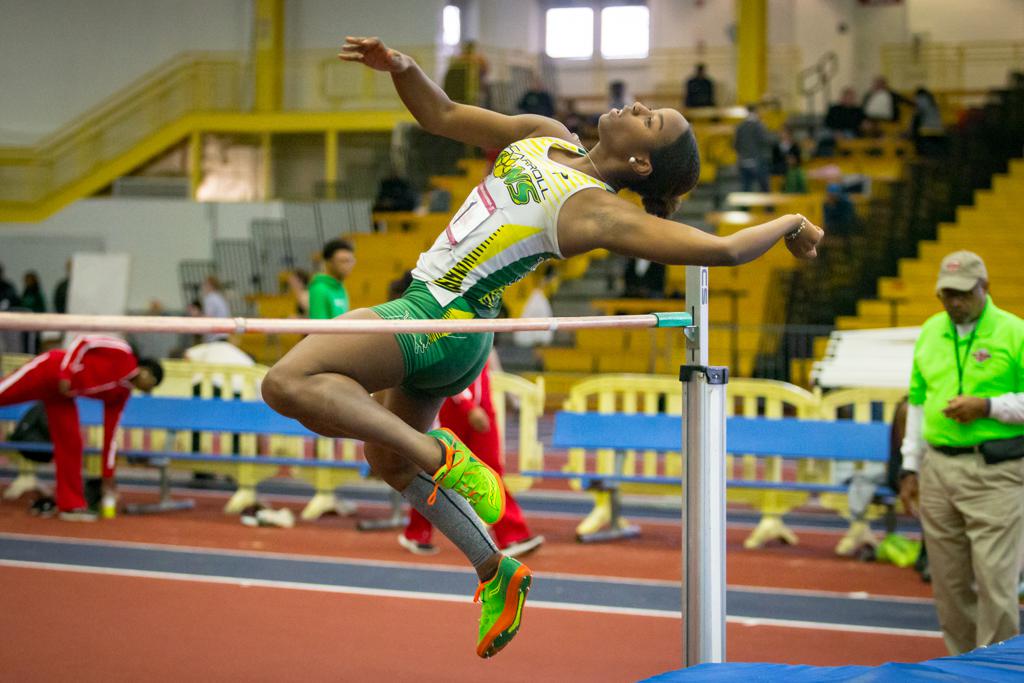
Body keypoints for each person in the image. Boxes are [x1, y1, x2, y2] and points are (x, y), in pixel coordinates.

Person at [263, 35, 822, 660]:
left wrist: (793, 222)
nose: (637, 105)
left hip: (438, 313)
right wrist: (404, 68)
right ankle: (494, 570)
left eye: (651, 120)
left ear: (642, 165)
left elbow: (721, 251)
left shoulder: (594, 213)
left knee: (285, 383)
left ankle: (438, 451)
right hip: (456, 332)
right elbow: (442, 115)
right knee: (387, 462)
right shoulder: (542, 132)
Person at [899, 251, 1024, 655]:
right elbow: (917, 404)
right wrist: (909, 468)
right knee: (949, 585)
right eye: (947, 294)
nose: (954, 302)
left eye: (963, 294)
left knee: (996, 584)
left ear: (984, 288)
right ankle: (962, 666)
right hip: (937, 469)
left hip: (996, 472)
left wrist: (987, 407)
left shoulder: (1014, 333)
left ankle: (997, 672)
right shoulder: (931, 331)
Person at [0, 336, 163, 520]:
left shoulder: (121, 395)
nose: (149, 390)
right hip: (50, 369)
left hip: (61, 395)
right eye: (153, 383)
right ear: (146, 372)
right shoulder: (122, 351)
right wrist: (66, 374)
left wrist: (107, 478)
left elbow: (110, 438)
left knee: (72, 443)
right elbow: (83, 341)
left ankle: (71, 505)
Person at [400, 355, 544, 558]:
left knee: (492, 470)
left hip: (483, 408)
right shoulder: (454, 325)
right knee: (440, 471)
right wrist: (468, 406)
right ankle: (417, 532)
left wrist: (502, 399)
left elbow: (489, 359)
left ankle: (512, 534)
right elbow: (447, 364)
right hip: (453, 409)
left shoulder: (486, 327)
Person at [309, 239, 356, 320]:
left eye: (351, 261)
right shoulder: (319, 289)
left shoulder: (340, 287)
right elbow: (319, 328)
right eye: (343, 261)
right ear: (329, 263)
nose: (348, 266)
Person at [734, 105, 773, 192]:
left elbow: (736, 145)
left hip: (743, 161)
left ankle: (744, 206)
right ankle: (768, 205)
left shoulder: (740, 127)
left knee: (746, 189)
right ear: (755, 111)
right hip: (757, 161)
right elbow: (765, 142)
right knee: (764, 189)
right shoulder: (759, 126)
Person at [200, 276, 231, 343]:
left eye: (205, 285)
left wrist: (196, 316)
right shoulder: (220, 297)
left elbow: (208, 317)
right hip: (224, 334)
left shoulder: (210, 298)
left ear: (210, 285)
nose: (203, 287)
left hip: (216, 336)